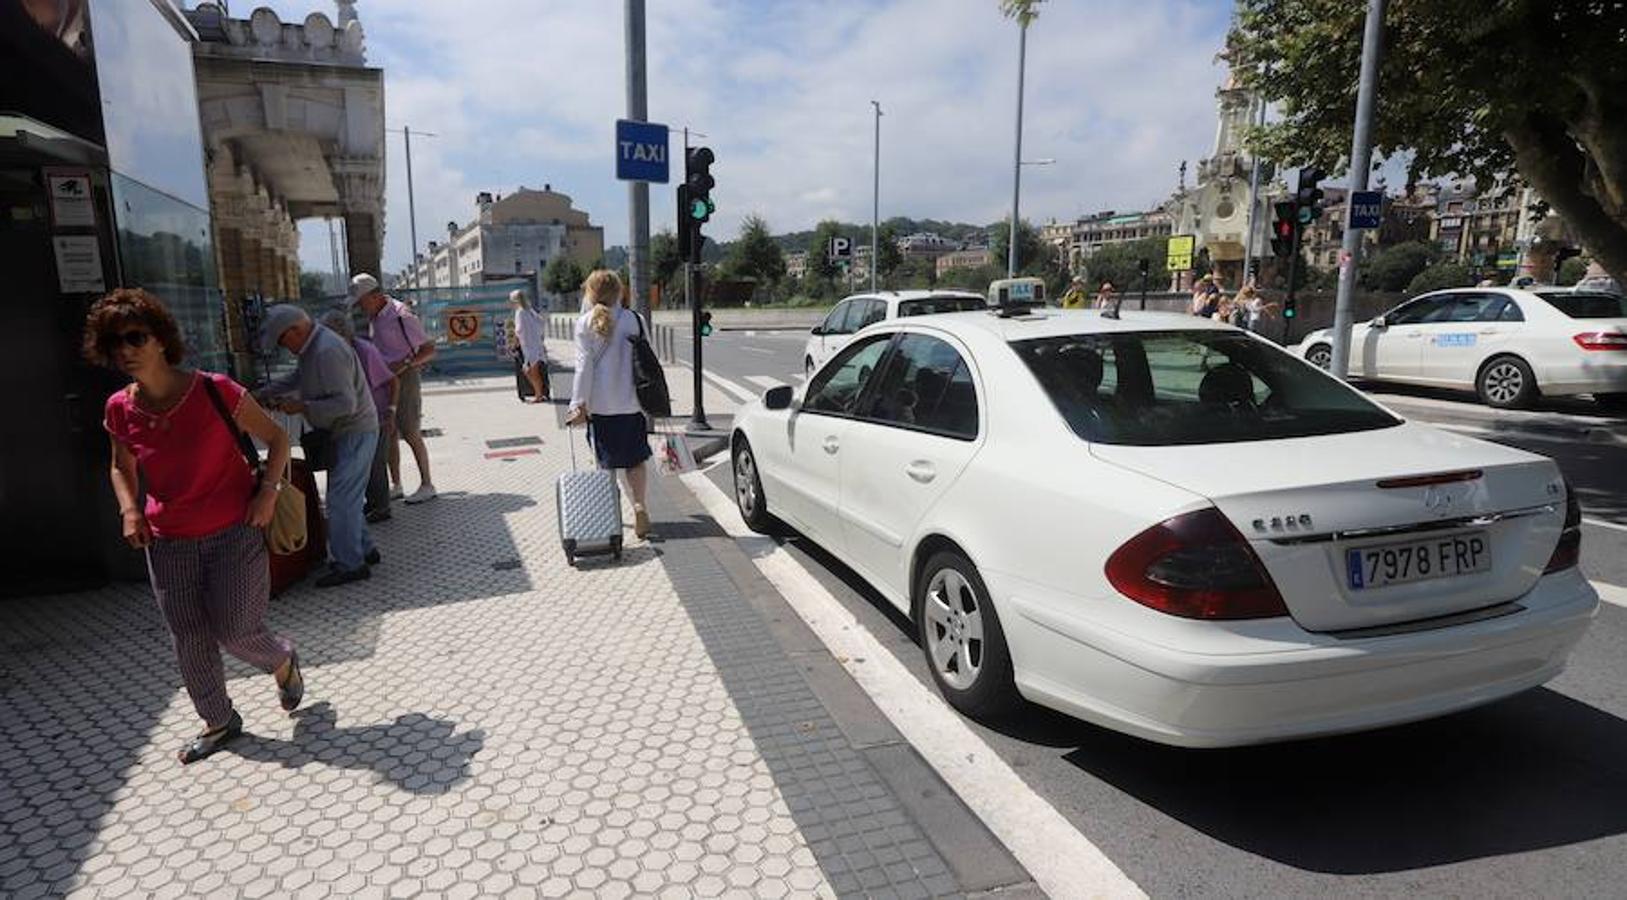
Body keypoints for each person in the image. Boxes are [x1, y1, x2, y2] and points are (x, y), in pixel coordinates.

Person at [88, 288, 303, 764]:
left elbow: (276, 438)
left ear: (161, 339)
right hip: (167, 543)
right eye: (114, 342)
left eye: (134, 337)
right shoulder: (119, 408)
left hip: (235, 530)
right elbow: (121, 466)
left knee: (236, 629)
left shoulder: (215, 389)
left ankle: (282, 657)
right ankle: (219, 719)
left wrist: (267, 492)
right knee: (189, 636)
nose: (125, 350)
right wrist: (129, 509)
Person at [258, 305, 379, 587]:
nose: (283, 348)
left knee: (340, 500)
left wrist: (301, 406)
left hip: (354, 430)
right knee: (346, 495)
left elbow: (344, 404)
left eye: (282, 340)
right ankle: (365, 550)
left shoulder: (326, 351)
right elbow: (299, 378)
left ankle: (351, 564)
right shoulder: (314, 347)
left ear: (296, 330)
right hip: (350, 431)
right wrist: (264, 393)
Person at [566, 270, 653, 539]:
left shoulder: (584, 323)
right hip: (632, 403)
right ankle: (639, 505)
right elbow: (648, 359)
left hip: (600, 407)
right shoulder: (634, 319)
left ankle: (611, 517)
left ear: (590, 293)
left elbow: (584, 368)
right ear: (620, 291)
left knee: (605, 465)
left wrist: (577, 403)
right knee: (635, 461)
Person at [351, 273, 438, 504]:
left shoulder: (402, 315)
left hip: (405, 377)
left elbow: (429, 349)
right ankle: (396, 484)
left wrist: (405, 364)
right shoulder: (375, 318)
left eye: (362, 301)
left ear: (375, 295)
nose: (360, 307)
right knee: (388, 432)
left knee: (410, 431)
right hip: (384, 379)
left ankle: (427, 484)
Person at [321, 310, 398, 523]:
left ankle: (381, 507)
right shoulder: (335, 354)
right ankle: (369, 505)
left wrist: (391, 412)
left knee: (374, 463)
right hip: (354, 420)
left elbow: (392, 381)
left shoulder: (365, 351)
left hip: (376, 415)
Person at [510, 289, 549, 402]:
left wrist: (514, 344)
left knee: (530, 371)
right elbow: (541, 323)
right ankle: (540, 393)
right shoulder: (530, 310)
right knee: (532, 370)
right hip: (536, 345)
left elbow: (519, 330)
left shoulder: (520, 312)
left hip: (529, 347)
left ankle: (538, 395)